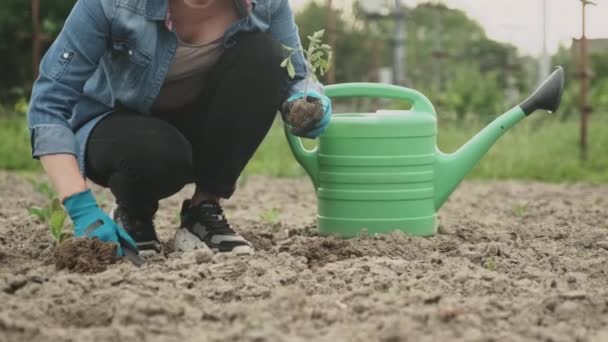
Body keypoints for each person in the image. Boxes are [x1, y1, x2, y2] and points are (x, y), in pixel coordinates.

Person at [26, 0, 332, 258]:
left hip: (198, 128)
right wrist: (81, 208)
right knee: (157, 151)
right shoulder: (112, 5)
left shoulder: (265, 4)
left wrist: (307, 103)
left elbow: (296, 75)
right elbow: (50, 102)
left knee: (268, 55)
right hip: (119, 132)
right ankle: (134, 212)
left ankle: (203, 211)